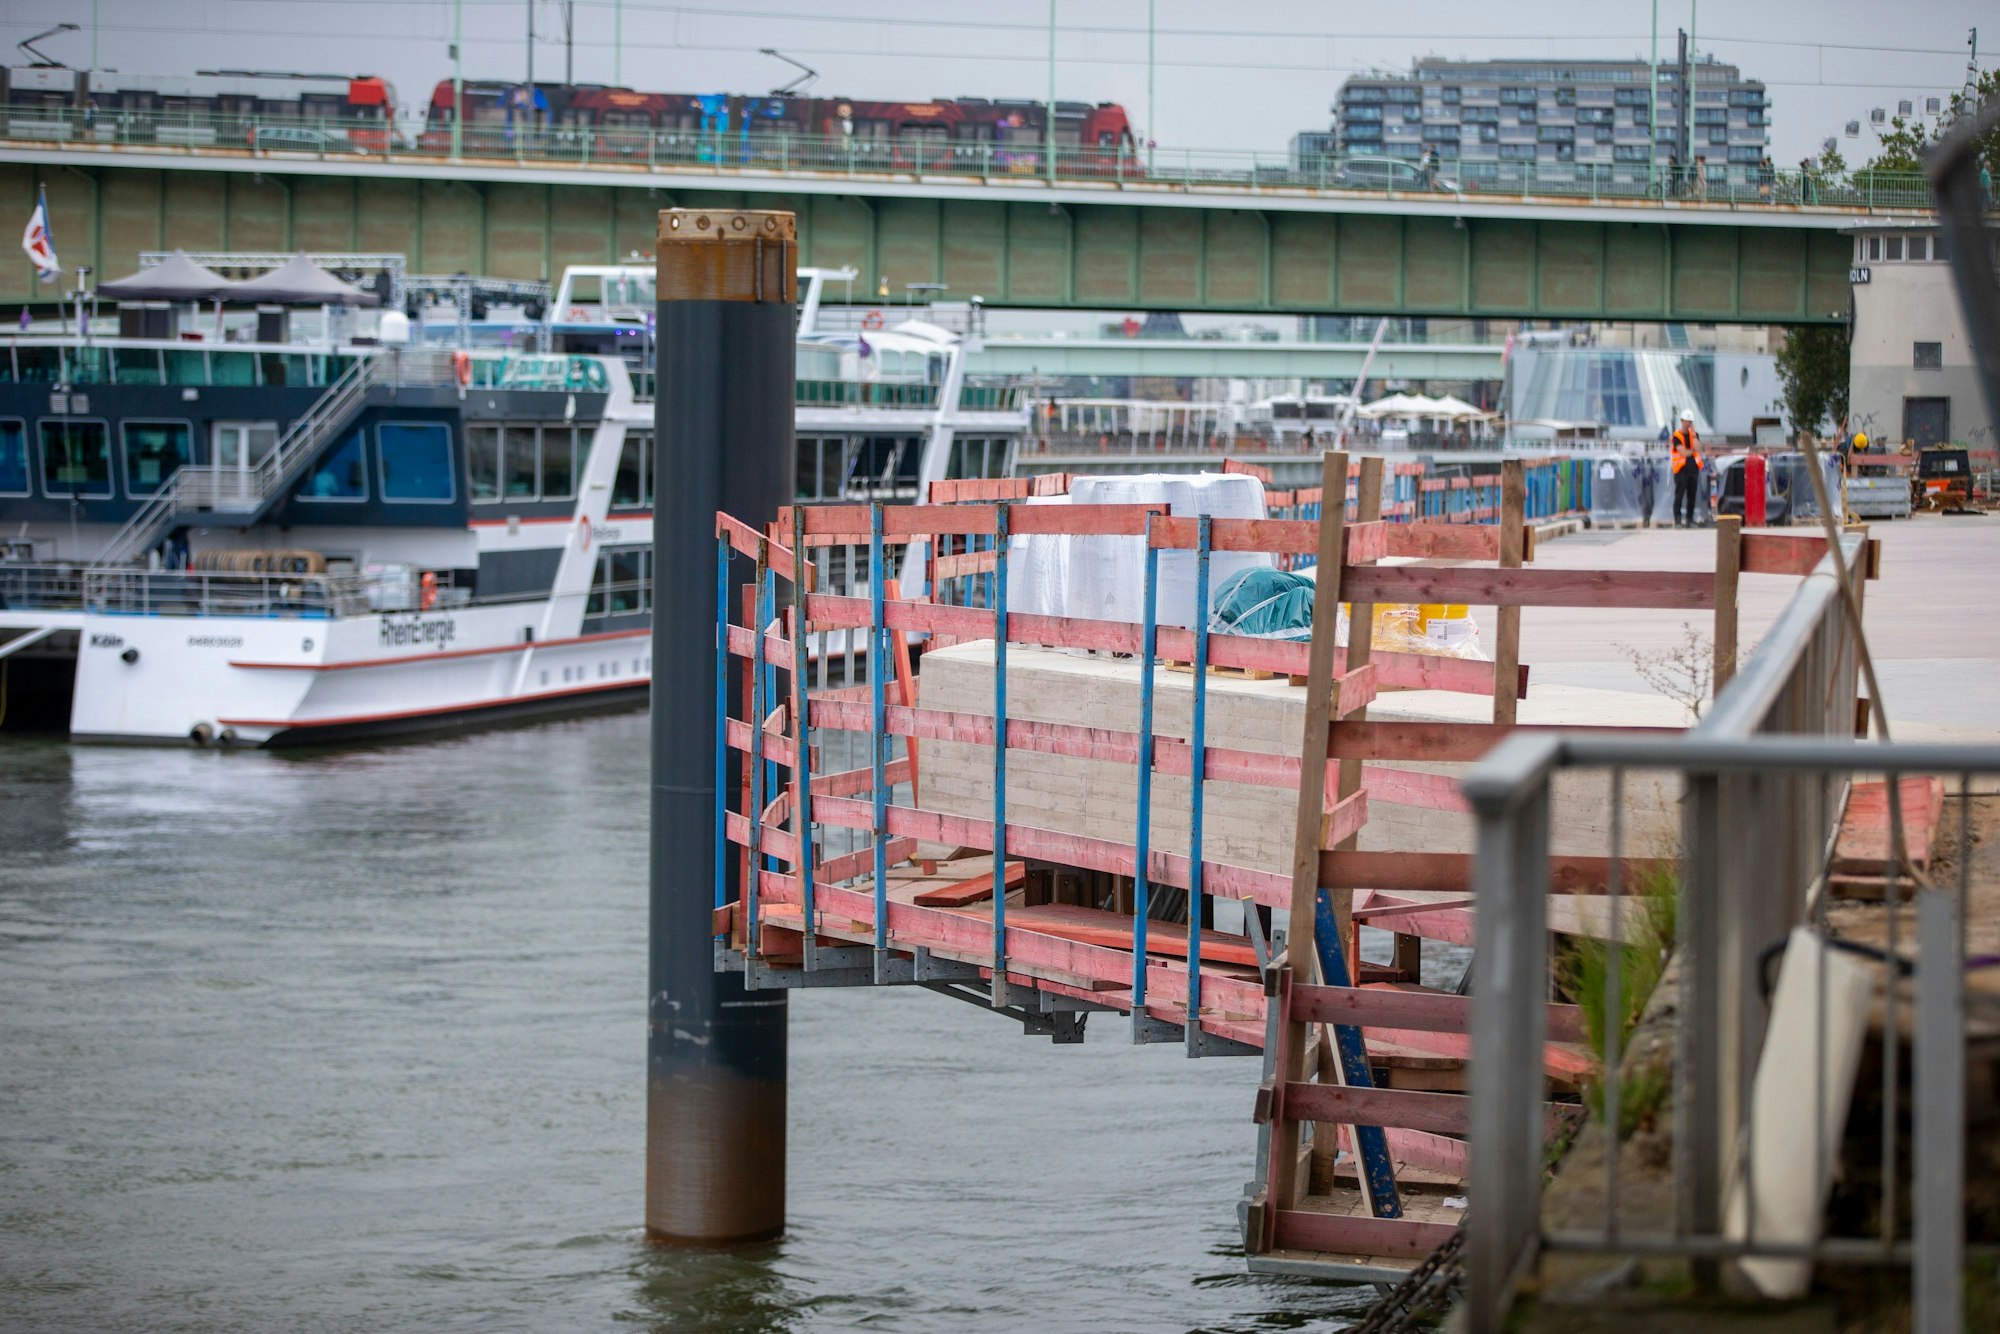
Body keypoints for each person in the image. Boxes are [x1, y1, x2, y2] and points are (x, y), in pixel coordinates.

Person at [1670, 409, 1705, 528]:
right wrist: (1692, 451)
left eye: (1690, 422)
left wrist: (1694, 435)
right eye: (1686, 421)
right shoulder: (1677, 436)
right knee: (1679, 495)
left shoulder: (1693, 435)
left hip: (1693, 469)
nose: (1688, 424)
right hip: (1681, 470)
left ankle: (1689, 520)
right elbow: (1683, 452)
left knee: (1692, 495)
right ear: (1681, 421)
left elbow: (1698, 448)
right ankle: (1678, 519)